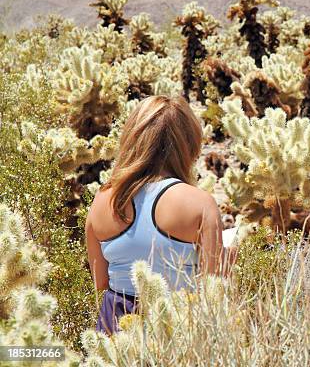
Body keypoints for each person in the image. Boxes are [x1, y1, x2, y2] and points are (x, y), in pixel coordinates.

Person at [85, 95, 234, 335]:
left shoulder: (102, 200)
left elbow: (100, 282)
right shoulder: (200, 204)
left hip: (115, 327)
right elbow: (212, 284)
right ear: (189, 145)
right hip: (176, 326)